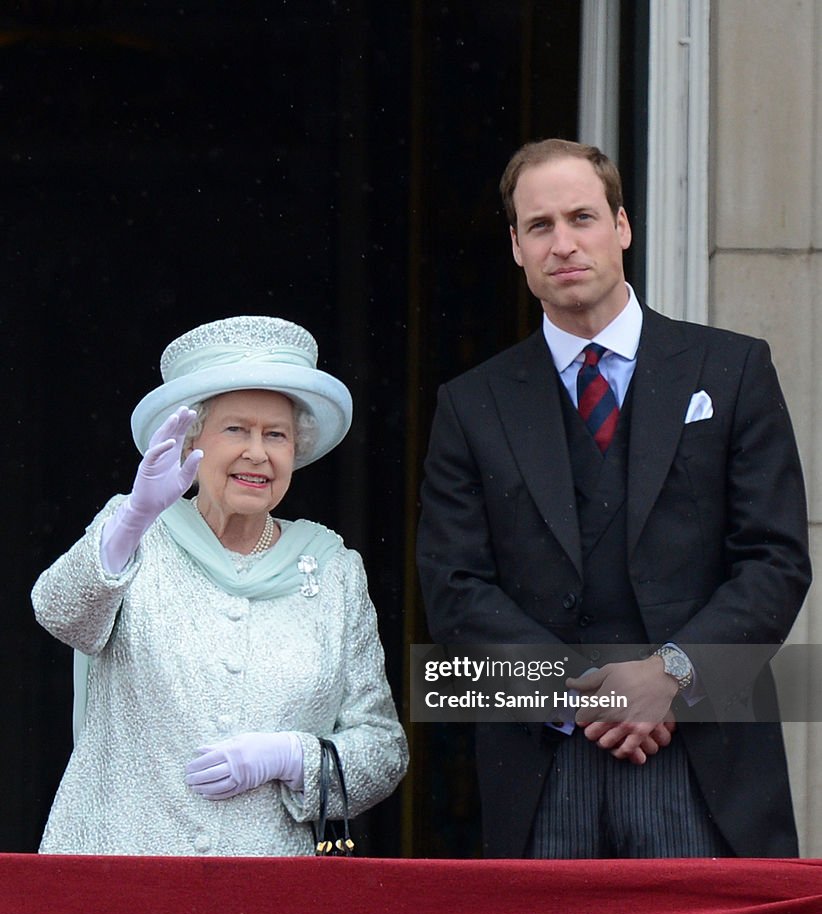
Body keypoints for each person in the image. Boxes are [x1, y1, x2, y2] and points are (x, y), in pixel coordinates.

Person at [416, 139, 811, 859]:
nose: (563, 243)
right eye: (540, 226)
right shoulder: (472, 406)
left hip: (706, 759)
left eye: (582, 217)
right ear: (515, 246)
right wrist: (581, 693)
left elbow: (775, 560)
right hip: (544, 764)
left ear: (622, 225)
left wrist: (671, 673)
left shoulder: (733, 370)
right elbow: (453, 588)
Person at [33, 315, 408, 856]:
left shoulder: (333, 570)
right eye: (236, 430)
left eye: (275, 435)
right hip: (120, 871)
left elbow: (384, 750)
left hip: (264, 892)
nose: (257, 452)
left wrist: (291, 757)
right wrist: (135, 518)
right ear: (192, 440)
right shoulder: (134, 530)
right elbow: (58, 612)